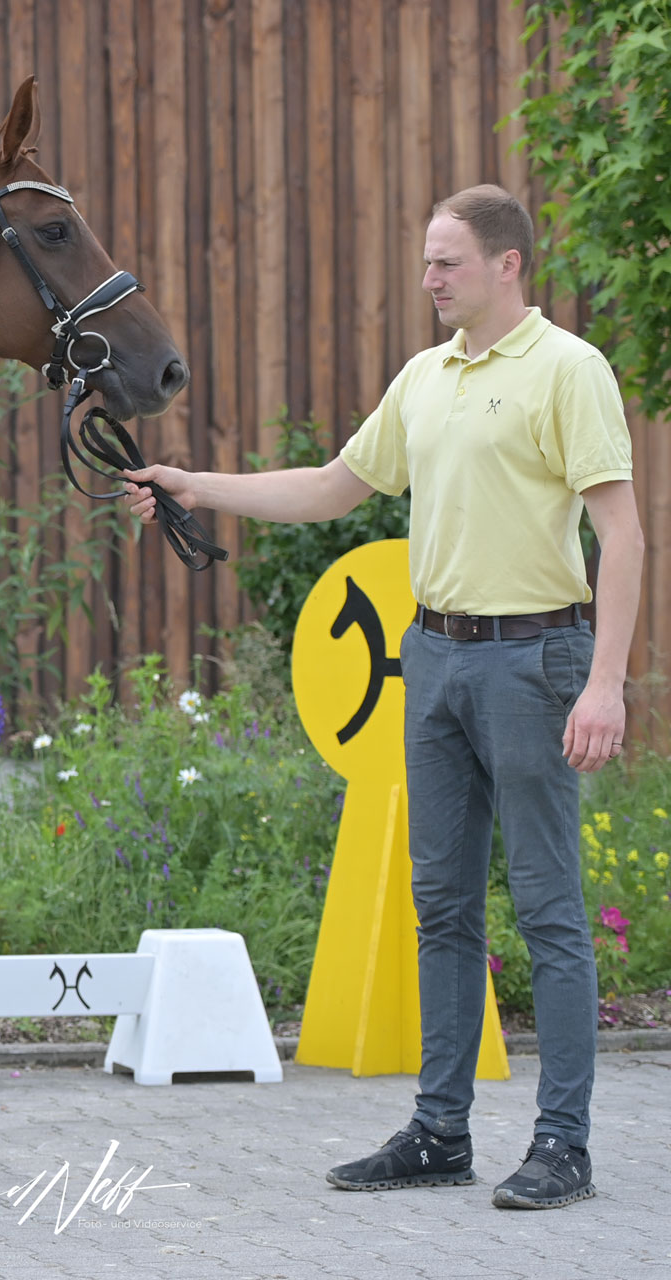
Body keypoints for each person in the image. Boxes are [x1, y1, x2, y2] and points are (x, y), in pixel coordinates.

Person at [124, 184, 641, 1210]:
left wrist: (605, 682)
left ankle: (563, 1145)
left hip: (537, 657)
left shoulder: (567, 371)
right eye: (425, 260)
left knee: (548, 911)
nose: (428, 278)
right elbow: (327, 487)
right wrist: (195, 482)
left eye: (446, 261)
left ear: (507, 264)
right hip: (435, 657)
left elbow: (622, 534)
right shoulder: (426, 378)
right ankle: (441, 1130)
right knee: (441, 905)